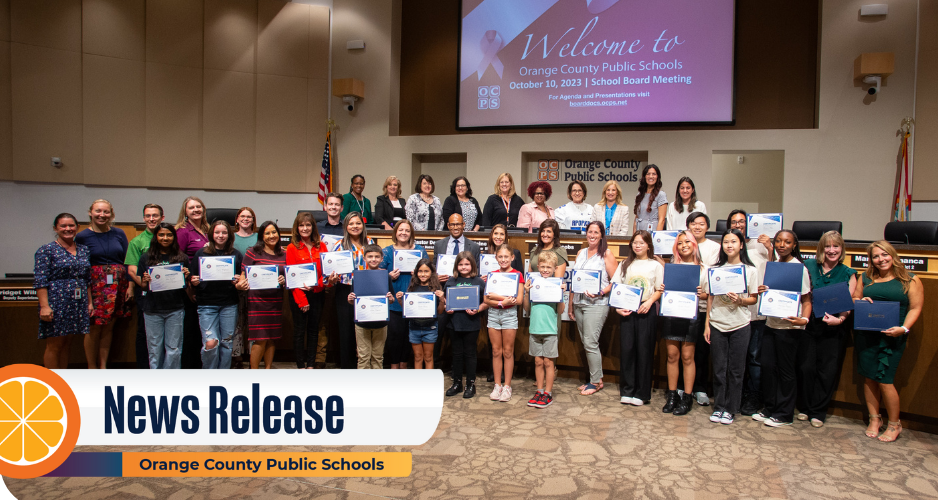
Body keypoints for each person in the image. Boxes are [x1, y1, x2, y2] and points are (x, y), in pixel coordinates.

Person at [853, 241, 923, 442]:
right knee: (868, 377)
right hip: (867, 334)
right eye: (875, 256)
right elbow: (855, 299)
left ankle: (895, 424)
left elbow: (915, 308)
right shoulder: (866, 277)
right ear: (871, 260)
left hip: (893, 336)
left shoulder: (910, 279)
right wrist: (860, 302)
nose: (880, 259)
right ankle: (875, 419)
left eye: (884, 255)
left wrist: (904, 328)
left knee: (885, 380)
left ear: (892, 255)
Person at [752, 230, 812, 427]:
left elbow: (806, 299)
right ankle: (769, 408)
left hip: (789, 327)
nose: (782, 245)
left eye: (787, 242)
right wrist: (762, 291)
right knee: (769, 368)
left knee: (786, 371)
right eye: (778, 241)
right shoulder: (773, 265)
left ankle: (784, 414)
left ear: (794, 245)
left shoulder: (799, 268)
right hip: (771, 324)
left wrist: (804, 319)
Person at [797, 231, 856, 428]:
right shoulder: (808, 265)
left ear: (842, 249)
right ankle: (804, 407)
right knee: (806, 367)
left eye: (836, 246)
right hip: (809, 324)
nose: (832, 250)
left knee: (827, 370)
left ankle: (818, 411)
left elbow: (848, 302)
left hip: (833, 327)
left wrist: (840, 320)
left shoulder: (848, 273)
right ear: (821, 249)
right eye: (827, 246)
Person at [704, 229, 759, 425]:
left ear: (741, 245)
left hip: (740, 324)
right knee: (719, 369)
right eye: (726, 242)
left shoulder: (750, 270)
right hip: (717, 324)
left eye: (733, 242)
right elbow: (710, 297)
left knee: (736, 370)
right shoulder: (716, 269)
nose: (729, 245)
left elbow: (754, 298)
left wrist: (741, 300)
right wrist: (707, 324)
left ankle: (731, 408)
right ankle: (719, 407)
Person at [727, 209, 775, 416]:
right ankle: (734, 396)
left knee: (755, 357)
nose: (738, 225)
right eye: (734, 222)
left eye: (741, 222)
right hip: (733, 313)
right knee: (737, 358)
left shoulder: (761, 244)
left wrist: (770, 248)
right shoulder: (729, 247)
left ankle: (752, 396)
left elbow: (775, 270)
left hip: (755, 311)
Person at [658, 231, 708, 415]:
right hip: (672, 315)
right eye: (680, 243)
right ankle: (672, 395)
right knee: (672, 355)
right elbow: (663, 291)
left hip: (691, 316)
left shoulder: (703, 269)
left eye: (688, 241)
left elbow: (708, 296)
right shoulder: (671, 267)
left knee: (688, 357)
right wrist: (663, 289)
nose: (684, 245)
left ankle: (687, 397)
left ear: (694, 244)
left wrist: (700, 294)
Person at [76, 199, 130, 369]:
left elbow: (127, 260)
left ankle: (103, 366)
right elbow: (80, 265)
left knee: (109, 327)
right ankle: (92, 367)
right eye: (98, 211)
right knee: (94, 328)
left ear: (111, 214)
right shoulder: (82, 236)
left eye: (106, 212)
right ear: (90, 213)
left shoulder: (119, 233)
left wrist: (130, 285)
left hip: (118, 283)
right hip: (95, 286)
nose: (102, 215)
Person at [565, 221, 617, 396]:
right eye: (590, 232)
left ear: (602, 235)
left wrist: (601, 292)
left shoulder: (607, 255)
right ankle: (597, 379)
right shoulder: (580, 253)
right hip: (579, 303)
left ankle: (595, 381)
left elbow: (616, 281)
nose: (592, 235)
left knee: (590, 342)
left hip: (597, 304)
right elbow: (574, 281)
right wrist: (571, 304)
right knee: (587, 342)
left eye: (596, 232)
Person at [34, 213, 92, 369]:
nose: (68, 229)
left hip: (77, 302)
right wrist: (45, 306)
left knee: (67, 343)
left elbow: (87, 279)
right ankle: (52, 382)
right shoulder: (47, 250)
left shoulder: (83, 250)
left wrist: (90, 303)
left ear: (77, 227)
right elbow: (40, 281)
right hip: (56, 301)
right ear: (56, 228)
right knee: (55, 344)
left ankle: (64, 380)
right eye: (63, 226)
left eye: (71, 225)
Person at [612, 230, 664, 406]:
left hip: (646, 310)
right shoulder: (625, 263)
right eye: (635, 242)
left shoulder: (655, 265)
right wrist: (618, 308)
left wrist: (649, 303)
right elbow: (616, 287)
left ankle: (642, 393)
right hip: (627, 310)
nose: (637, 245)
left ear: (648, 245)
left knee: (644, 351)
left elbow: (659, 289)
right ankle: (627, 390)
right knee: (627, 351)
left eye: (641, 242)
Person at [189, 220, 243, 369]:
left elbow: (241, 278)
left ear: (229, 235)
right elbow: (192, 277)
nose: (221, 235)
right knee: (211, 342)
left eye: (224, 232)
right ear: (212, 235)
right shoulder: (201, 253)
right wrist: (193, 281)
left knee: (226, 342)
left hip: (229, 304)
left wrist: (238, 280)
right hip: (207, 304)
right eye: (217, 232)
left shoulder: (236, 254)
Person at [138, 223, 190, 369]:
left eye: (169, 235)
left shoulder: (182, 257)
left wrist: (186, 276)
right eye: (161, 235)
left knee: (174, 350)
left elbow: (186, 286)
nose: (165, 238)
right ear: (156, 237)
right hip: (152, 309)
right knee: (155, 350)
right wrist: (144, 281)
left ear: (174, 237)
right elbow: (142, 286)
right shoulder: (146, 257)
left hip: (175, 308)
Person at [432, 214, 481, 370]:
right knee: (439, 332)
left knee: (462, 335)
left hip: (464, 297)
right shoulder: (439, 244)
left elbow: (476, 271)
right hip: (443, 294)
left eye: (458, 224)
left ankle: (459, 369)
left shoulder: (473, 246)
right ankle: (436, 364)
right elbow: (433, 269)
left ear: (463, 225)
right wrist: (436, 277)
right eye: (452, 224)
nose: (455, 227)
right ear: (448, 225)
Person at [328, 212, 375, 369]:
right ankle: (347, 368)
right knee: (346, 331)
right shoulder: (339, 245)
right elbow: (329, 272)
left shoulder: (370, 242)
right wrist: (332, 278)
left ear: (363, 225)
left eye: (358, 223)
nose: (355, 226)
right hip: (344, 290)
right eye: (351, 224)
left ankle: (364, 367)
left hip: (366, 290)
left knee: (364, 331)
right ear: (346, 227)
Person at [380, 220, 428, 369]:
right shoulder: (387, 251)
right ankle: (394, 367)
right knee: (394, 336)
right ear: (395, 232)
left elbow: (429, 273)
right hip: (394, 300)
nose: (404, 233)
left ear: (411, 233)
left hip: (414, 299)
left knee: (410, 336)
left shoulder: (420, 250)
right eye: (401, 230)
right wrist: (389, 276)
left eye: (407, 230)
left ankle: (404, 366)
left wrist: (419, 274)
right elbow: (379, 275)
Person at [685, 211, 720, 405]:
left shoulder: (715, 247)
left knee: (701, 351)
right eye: (693, 224)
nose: (697, 227)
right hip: (683, 307)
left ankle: (700, 388)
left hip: (705, 306)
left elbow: (715, 275)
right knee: (684, 351)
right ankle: (684, 387)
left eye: (701, 224)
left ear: (707, 227)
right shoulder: (683, 243)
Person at [242, 221, 287, 369]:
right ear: (262, 236)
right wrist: (241, 283)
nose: (271, 236)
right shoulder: (253, 252)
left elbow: (288, 277)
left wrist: (283, 279)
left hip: (275, 301)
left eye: (274, 232)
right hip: (257, 302)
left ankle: (268, 369)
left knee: (272, 337)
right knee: (259, 338)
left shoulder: (284, 254)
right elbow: (243, 276)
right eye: (267, 233)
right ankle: (254, 371)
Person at [285, 212, 328, 369]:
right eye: (301, 225)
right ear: (297, 228)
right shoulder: (291, 248)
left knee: (313, 330)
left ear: (313, 227)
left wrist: (317, 285)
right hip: (299, 295)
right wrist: (301, 300)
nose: (305, 228)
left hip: (317, 294)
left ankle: (310, 365)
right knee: (299, 331)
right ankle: (300, 366)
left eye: (308, 225)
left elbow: (325, 272)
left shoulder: (321, 246)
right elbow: (291, 276)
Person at [443, 251, 487, 398]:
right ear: (456, 266)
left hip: (471, 323)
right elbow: (445, 301)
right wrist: (446, 308)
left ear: (472, 265)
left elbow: (486, 302)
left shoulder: (479, 282)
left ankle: (470, 384)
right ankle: (457, 383)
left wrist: (477, 309)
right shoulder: (451, 281)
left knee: (470, 354)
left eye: (467, 264)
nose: (463, 267)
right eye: (460, 264)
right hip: (454, 323)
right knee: (456, 354)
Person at [483, 244, 524, 402]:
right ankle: (497, 385)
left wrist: (498, 297)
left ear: (512, 258)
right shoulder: (492, 275)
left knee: (508, 351)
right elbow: (486, 299)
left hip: (509, 315)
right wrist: (503, 300)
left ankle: (507, 386)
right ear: (496, 258)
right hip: (493, 314)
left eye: (506, 257)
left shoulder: (517, 275)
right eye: (500, 257)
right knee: (496, 351)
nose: (503, 259)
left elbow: (518, 300)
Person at [125, 204, 164, 369]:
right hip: (147, 293)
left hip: (168, 294)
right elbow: (132, 269)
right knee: (144, 331)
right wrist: (144, 284)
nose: (151, 219)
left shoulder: (168, 237)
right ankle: (144, 367)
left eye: (155, 215)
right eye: (148, 216)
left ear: (162, 218)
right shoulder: (137, 241)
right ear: (143, 218)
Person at [175, 196, 212, 369]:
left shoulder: (207, 230)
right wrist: (188, 287)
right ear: (185, 211)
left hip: (205, 286)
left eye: (199, 206)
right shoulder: (182, 231)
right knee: (190, 329)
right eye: (192, 207)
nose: (196, 210)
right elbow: (178, 260)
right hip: (190, 287)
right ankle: (190, 368)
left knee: (201, 329)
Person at [523, 251, 562, 408]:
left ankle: (548, 393)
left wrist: (561, 293)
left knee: (548, 362)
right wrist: (526, 292)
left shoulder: (556, 284)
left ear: (554, 268)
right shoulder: (532, 283)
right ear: (537, 266)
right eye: (543, 267)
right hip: (535, 329)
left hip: (550, 330)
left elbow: (560, 310)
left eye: (549, 267)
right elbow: (527, 309)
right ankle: (539, 391)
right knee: (538, 361)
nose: (546, 270)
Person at [347, 244, 396, 369]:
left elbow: (391, 299)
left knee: (378, 357)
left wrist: (391, 299)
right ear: (364, 258)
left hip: (380, 323)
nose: (373, 259)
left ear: (381, 259)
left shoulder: (386, 276)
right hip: (362, 323)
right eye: (370, 257)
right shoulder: (358, 276)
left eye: (376, 257)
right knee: (363, 356)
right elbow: (354, 300)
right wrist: (350, 299)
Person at [400, 259, 445, 370]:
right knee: (418, 357)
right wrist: (400, 300)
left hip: (430, 327)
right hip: (414, 327)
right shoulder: (412, 287)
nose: (423, 274)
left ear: (431, 273)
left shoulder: (436, 288)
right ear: (416, 272)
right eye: (420, 271)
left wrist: (442, 299)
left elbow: (440, 311)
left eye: (426, 271)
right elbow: (407, 310)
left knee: (428, 357)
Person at [231, 206, 258, 366]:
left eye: (249, 216)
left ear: (253, 220)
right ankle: (237, 354)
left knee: (253, 321)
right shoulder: (230, 237)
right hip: (235, 285)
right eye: (243, 216)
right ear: (237, 219)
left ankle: (252, 353)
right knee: (237, 322)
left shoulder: (258, 237)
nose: (246, 219)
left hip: (255, 285)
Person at [632, 164, 667, 233]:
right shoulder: (639, 195)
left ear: (657, 177)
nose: (651, 176)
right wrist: (634, 237)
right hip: (640, 233)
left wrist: (656, 237)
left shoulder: (661, 195)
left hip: (652, 233)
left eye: (654, 174)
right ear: (644, 176)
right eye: (648, 174)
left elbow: (661, 220)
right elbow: (636, 218)